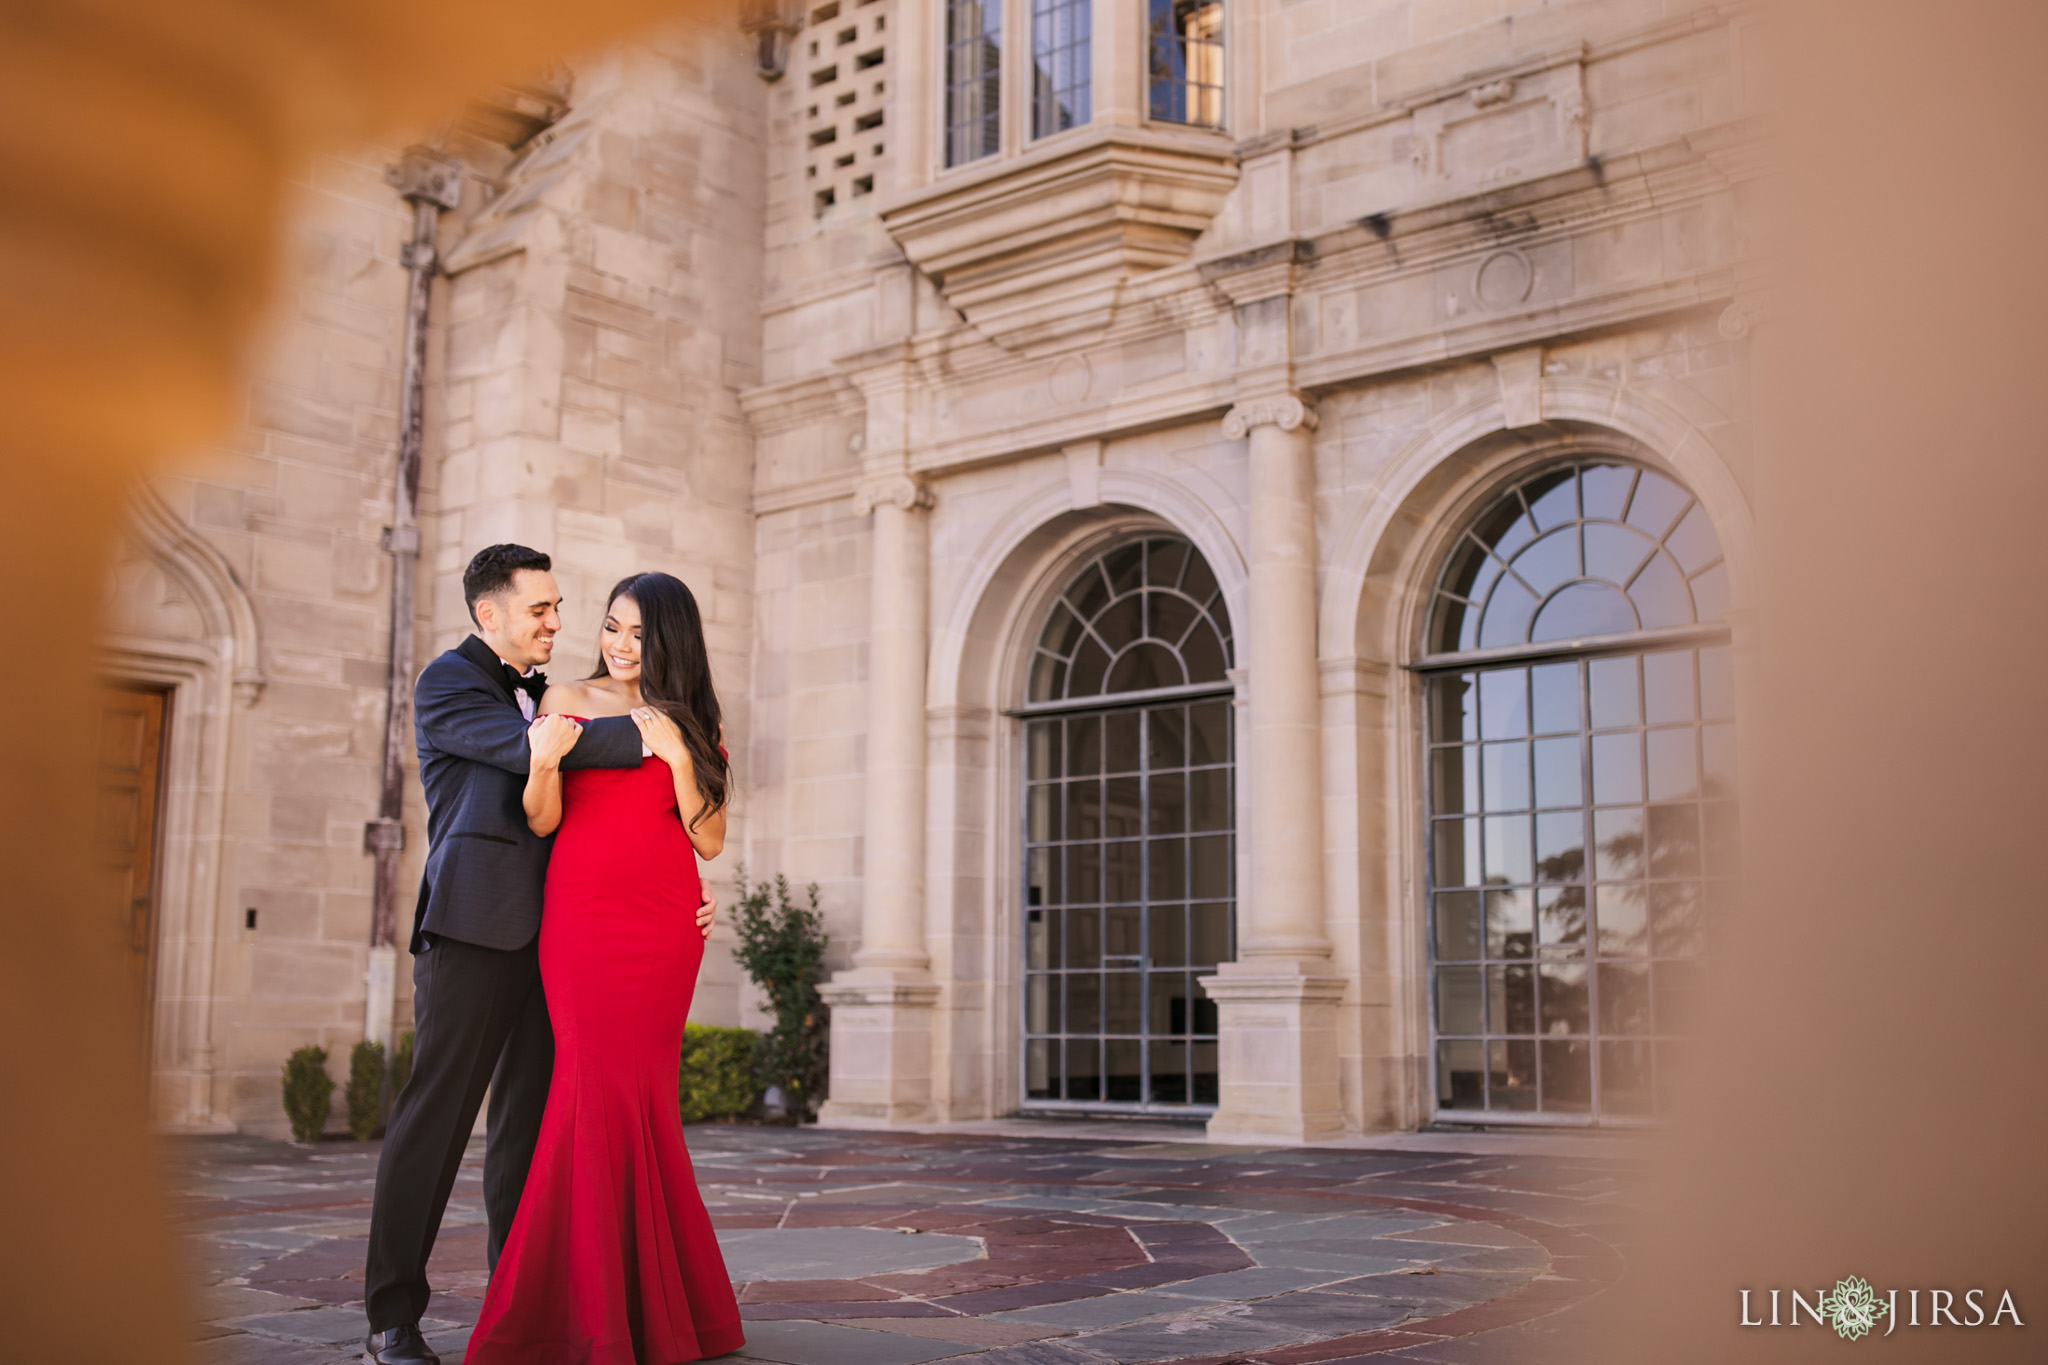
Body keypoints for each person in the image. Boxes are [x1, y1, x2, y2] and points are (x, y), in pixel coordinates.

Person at [363, 547, 718, 1365]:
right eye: (541, 610)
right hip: (476, 931)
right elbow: (547, 751)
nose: (558, 622)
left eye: (561, 607)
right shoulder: (449, 684)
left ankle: (523, 1308)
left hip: (569, 940)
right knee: (436, 1119)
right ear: (490, 614)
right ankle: (391, 1313)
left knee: (530, 1131)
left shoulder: (550, 691)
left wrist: (673, 878)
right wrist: (669, 732)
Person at [463, 570, 744, 1364]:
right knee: (585, 1088)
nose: (620, 645)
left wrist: (678, 756)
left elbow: (710, 838)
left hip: (663, 925)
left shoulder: (691, 720)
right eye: (612, 627)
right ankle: (582, 1309)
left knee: (647, 1099)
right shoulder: (564, 700)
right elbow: (542, 817)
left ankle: (655, 1308)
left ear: (671, 643)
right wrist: (545, 761)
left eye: (639, 634)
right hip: (580, 918)